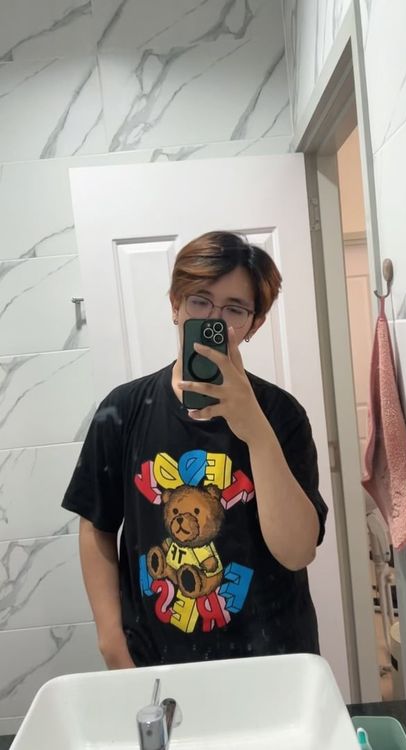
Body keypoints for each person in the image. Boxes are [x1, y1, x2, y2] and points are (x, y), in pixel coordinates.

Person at [62, 231, 328, 669]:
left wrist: (256, 430)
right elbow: (96, 524)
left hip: (274, 659)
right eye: (199, 301)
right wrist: (110, 640)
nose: (213, 319)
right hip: (156, 659)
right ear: (175, 305)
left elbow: (297, 551)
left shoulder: (282, 415)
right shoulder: (123, 410)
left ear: (255, 324)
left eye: (234, 309)